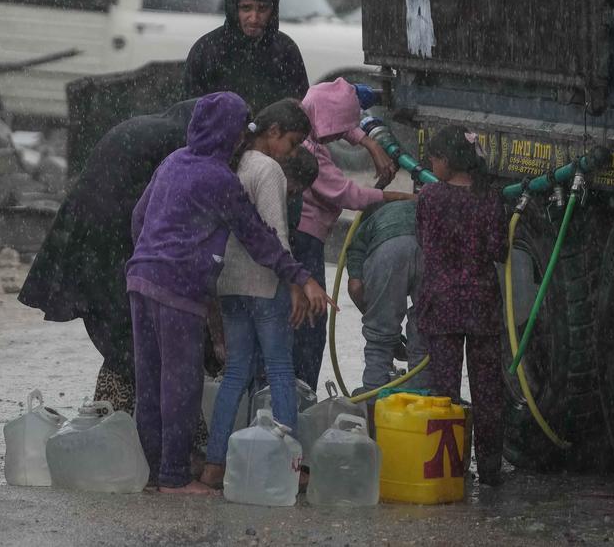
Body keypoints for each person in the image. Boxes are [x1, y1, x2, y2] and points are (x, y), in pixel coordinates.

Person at [126, 92, 330, 494]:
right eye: (240, 129)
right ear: (229, 132)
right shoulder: (219, 177)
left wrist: (149, 255)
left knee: (149, 382)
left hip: (140, 279)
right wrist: (301, 276)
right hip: (178, 289)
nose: (242, 138)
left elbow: (138, 215)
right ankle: (174, 478)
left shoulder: (174, 160)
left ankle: (153, 473)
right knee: (180, 385)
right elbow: (259, 238)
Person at [19, 99, 197, 414]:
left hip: (90, 232)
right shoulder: (179, 144)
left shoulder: (154, 127)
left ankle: (113, 420)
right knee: (132, 335)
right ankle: (132, 427)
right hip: (111, 238)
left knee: (122, 331)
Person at [199, 99, 315, 490]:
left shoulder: (234, 163)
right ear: (274, 132)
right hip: (266, 285)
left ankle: (215, 464)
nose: (293, 153)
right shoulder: (268, 170)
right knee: (281, 369)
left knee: (235, 373)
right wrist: (297, 284)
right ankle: (290, 467)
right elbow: (276, 234)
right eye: (294, 143)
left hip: (228, 284)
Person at [293, 78, 412, 389]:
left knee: (307, 319)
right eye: (338, 130)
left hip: (306, 237)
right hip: (305, 241)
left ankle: (293, 392)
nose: (339, 138)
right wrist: (397, 196)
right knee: (310, 320)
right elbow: (348, 195)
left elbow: (338, 115)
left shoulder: (306, 115)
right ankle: (298, 391)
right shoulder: (309, 150)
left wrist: (368, 142)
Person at [416, 126, 508, 486]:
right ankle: (490, 470)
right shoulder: (490, 199)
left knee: (445, 395)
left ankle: (448, 469)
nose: (432, 165)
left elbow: (423, 242)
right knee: (488, 392)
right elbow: (499, 250)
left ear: (448, 161)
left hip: (442, 305)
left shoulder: (429, 198)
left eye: (435, 159)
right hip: (482, 304)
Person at [182, 0, 308, 114]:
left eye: (262, 9)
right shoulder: (207, 50)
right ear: (234, 8)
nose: (254, 18)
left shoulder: (286, 50)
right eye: (246, 8)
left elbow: (298, 114)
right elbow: (192, 118)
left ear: (273, 11)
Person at [345, 199, 427, 394]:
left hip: (388, 251)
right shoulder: (418, 208)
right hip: (427, 249)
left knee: (378, 340)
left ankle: (374, 399)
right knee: (425, 335)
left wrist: (384, 332)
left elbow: (356, 288)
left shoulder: (366, 226)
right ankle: (421, 398)